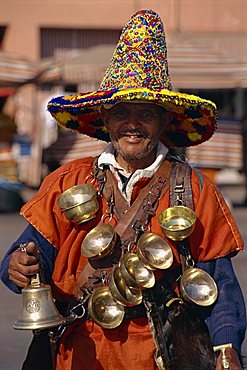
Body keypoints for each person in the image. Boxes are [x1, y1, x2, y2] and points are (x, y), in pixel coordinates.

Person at [0, 9, 246, 370]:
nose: (132, 125)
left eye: (145, 113)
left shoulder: (195, 189)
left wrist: (227, 349)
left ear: (164, 120)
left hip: (161, 354)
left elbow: (219, 285)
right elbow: (25, 257)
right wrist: (17, 267)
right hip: (77, 353)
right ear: (105, 119)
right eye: (121, 113)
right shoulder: (67, 181)